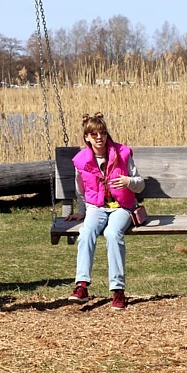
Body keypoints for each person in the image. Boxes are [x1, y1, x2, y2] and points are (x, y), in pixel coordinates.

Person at [66, 112, 145, 310]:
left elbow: (140, 184)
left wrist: (129, 182)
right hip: (96, 207)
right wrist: (82, 211)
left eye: (102, 133)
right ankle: (81, 286)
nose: (99, 138)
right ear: (87, 137)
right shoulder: (81, 161)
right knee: (86, 232)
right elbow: (81, 190)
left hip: (122, 207)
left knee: (112, 233)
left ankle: (118, 290)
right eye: (94, 135)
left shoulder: (122, 153)